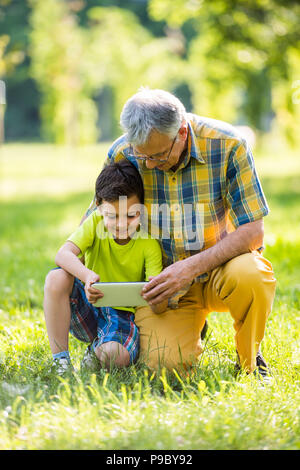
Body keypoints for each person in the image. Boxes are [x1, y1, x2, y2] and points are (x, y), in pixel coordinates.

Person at [84, 87, 276, 379]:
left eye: (159, 156)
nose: (148, 164)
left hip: (219, 271)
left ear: (182, 132)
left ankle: (249, 358)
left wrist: (190, 268)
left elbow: (253, 231)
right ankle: (192, 325)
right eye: (142, 155)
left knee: (252, 274)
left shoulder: (228, 144)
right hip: (164, 288)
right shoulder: (124, 152)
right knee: (166, 368)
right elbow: (98, 221)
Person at [43, 159, 167, 375]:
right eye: (112, 216)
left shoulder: (149, 244)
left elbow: (158, 303)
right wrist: (87, 275)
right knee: (56, 278)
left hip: (121, 316)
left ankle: (96, 349)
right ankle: (61, 361)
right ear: (99, 208)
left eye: (131, 215)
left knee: (114, 356)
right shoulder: (94, 223)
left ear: (141, 209)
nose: (121, 225)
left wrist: (154, 296)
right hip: (87, 307)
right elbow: (62, 255)